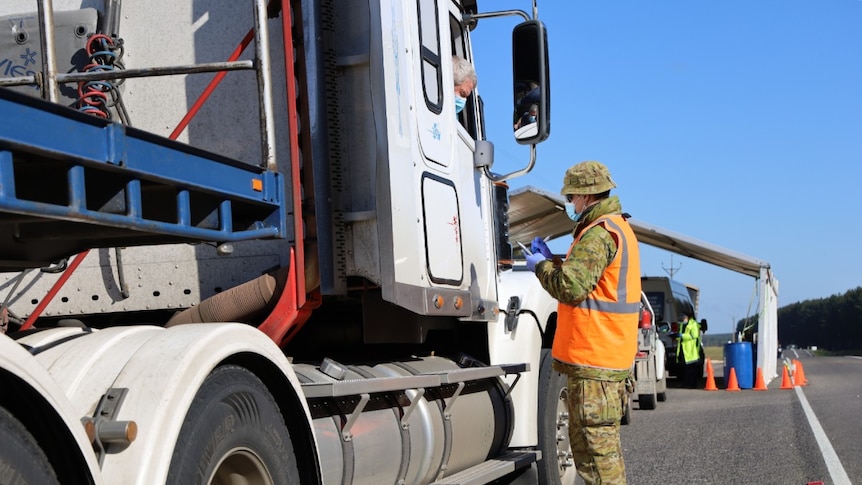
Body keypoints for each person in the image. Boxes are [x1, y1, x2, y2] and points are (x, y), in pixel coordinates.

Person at [525, 161, 641, 485]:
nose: (570, 204)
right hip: (602, 364)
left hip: (595, 367)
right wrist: (553, 260)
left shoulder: (599, 233)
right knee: (599, 461)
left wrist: (540, 268)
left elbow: (570, 287)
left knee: (598, 465)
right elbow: (590, 280)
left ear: (586, 196)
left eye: (572, 197)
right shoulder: (613, 228)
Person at [674, 313, 702, 388]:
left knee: (692, 370)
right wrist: (676, 336)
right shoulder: (682, 325)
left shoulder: (693, 324)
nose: (683, 320)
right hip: (683, 350)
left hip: (691, 350)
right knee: (685, 369)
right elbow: (681, 335)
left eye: (684, 318)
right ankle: (685, 383)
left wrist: (682, 335)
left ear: (688, 317)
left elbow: (694, 335)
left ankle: (692, 384)